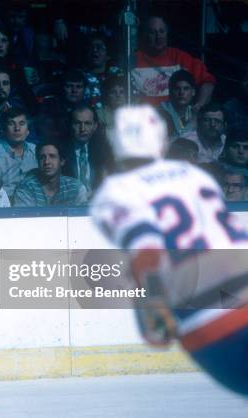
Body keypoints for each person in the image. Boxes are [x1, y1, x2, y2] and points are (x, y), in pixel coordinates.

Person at [90, 105, 248, 396]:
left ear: (114, 144)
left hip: (208, 317)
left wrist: (152, 304)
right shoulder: (192, 174)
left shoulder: (114, 192)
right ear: (162, 140)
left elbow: (146, 249)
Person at [132, 15, 215, 109]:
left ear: (167, 33)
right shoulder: (132, 59)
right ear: (145, 35)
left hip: (175, 120)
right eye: (152, 32)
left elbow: (207, 82)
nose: (158, 37)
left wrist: (199, 106)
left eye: (161, 31)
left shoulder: (180, 58)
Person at [0, 107, 38, 200]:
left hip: (33, 201)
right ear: (4, 130)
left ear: (28, 131)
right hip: (4, 203)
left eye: (22, 124)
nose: (17, 128)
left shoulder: (36, 150)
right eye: (11, 124)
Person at [14, 141, 87, 207]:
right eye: (42, 157)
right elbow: (24, 220)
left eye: (52, 156)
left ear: (62, 161)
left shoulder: (75, 188)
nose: (46, 162)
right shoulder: (26, 188)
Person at [158, 70, 197, 141]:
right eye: (177, 89)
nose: (181, 92)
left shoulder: (196, 114)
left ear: (193, 92)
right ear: (170, 92)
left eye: (186, 89)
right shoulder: (158, 113)